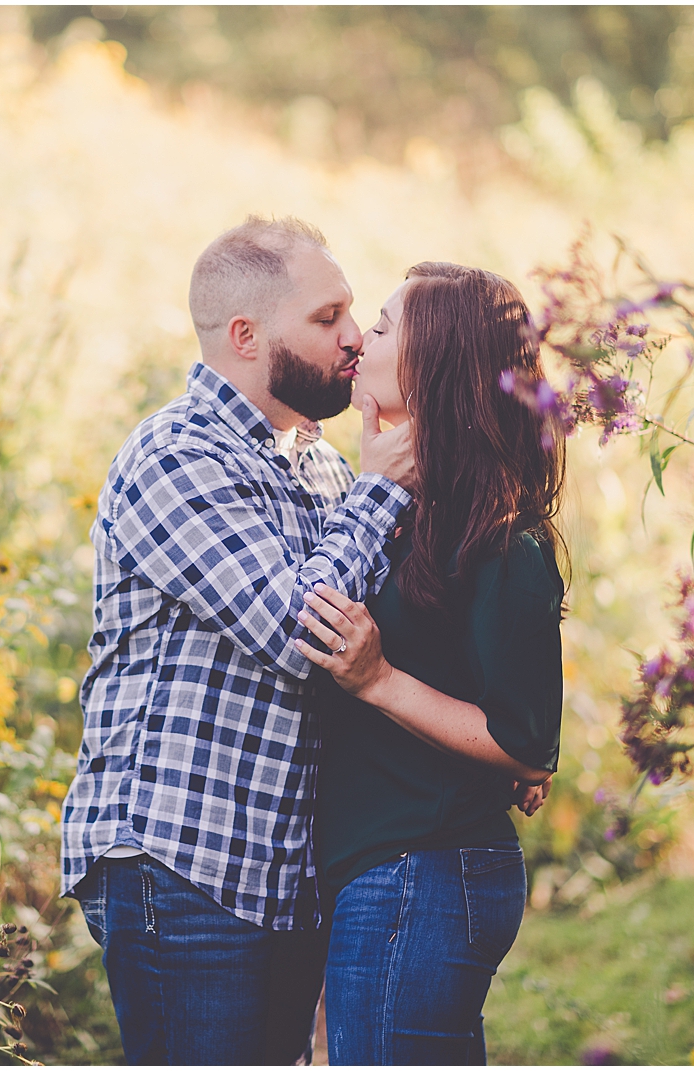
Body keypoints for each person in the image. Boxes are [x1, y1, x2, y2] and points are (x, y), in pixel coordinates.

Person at [60, 216, 417, 1064]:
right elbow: (299, 635)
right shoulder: (176, 454)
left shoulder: (324, 466)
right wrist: (383, 491)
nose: (354, 339)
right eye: (328, 318)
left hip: (279, 876)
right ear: (247, 335)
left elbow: (370, 647)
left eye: (354, 315)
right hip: (182, 865)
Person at [295, 262, 567, 1066]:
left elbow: (524, 740)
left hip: (423, 872)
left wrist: (379, 681)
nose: (356, 340)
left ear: (431, 367)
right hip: (391, 872)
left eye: (380, 328)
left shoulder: (501, 541)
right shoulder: (407, 516)